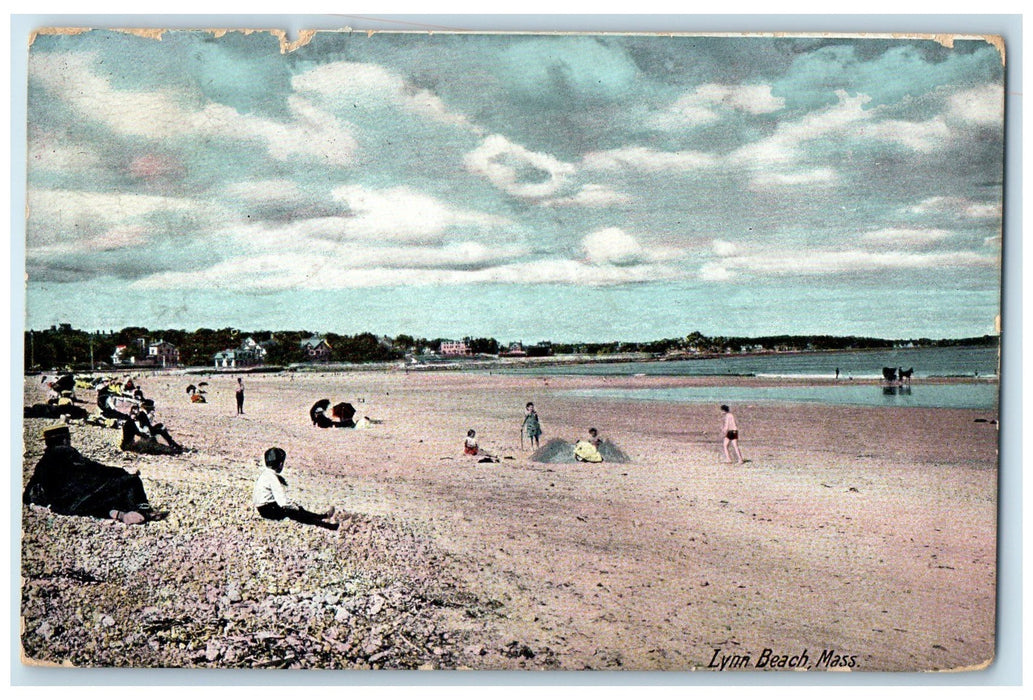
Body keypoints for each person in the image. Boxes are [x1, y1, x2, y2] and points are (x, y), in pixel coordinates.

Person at [23, 425, 162, 525]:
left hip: (63, 506)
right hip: (79, 500)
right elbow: (95, 468)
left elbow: (27, 494)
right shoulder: (66, 452)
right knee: (131, 481)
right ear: (65, 440)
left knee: (103, 495)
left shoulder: (43, 462)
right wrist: (122, 471)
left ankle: (116, 513)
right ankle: (144, 510)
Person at [253, 447, 338, 530]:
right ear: (280, 464)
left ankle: (322, 517)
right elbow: (283, 502)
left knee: (296, 510)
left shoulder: (265, 474)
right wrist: (293, 506)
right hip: (268, 510)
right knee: (295, 512)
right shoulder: (273, 478)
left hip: (262, 508)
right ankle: (327, 524)